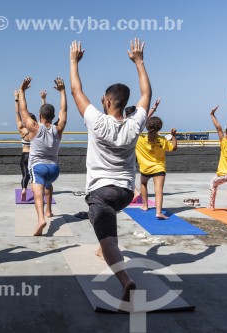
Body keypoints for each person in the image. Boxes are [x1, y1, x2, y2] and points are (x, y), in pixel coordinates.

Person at [69, 38, 151, 304]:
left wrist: (74, 62)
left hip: (101, 192)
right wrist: (139, 62)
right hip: (126, 192)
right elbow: (146, 94)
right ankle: (102, 245)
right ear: (125, 103)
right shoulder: (135, 123)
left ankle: (125, 281)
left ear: (105, 101)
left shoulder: (96, 120)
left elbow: (75, 90)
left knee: (108, 240)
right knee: (106, 219)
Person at [18, 76, 67, 236]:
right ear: (53, 117)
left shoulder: (33, 128)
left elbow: (23, 111)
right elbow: (64, 110)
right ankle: (49, 211)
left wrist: (22, 91)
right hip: (54, 170)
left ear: (39, 116)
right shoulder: (58, 128)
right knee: (48, 185)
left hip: (38, 167)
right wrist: (62, 91)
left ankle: (41, 219)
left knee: (37, 191)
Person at [135, 117, 178, 219]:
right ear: (160, 128)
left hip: (145, 168)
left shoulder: (139, 139)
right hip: (159, 168)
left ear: (147, 127)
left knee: (143, 183)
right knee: (158, 190)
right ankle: (158, 212)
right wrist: (173, 136)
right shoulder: (162, 140)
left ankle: (145, 206)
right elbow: (174, 148)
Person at [130, 97, 161, 203]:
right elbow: (147, 116)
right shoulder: (137, 124)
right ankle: (133, 192)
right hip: (137, 151)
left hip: (129, 151)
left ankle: (135, 192)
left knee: (126, 173)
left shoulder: (127, 123)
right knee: (130, 172)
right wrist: (154, 107)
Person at [14, 90, 39, 202]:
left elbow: (17, 113)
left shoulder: (22, 129)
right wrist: (43, 99)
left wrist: (16, 99)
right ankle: (35, 189)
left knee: (25, 174)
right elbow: (43, 115)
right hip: (33, 156)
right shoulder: (37, 131)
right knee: (35, 176)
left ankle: (24, 189)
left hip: (24, 155)